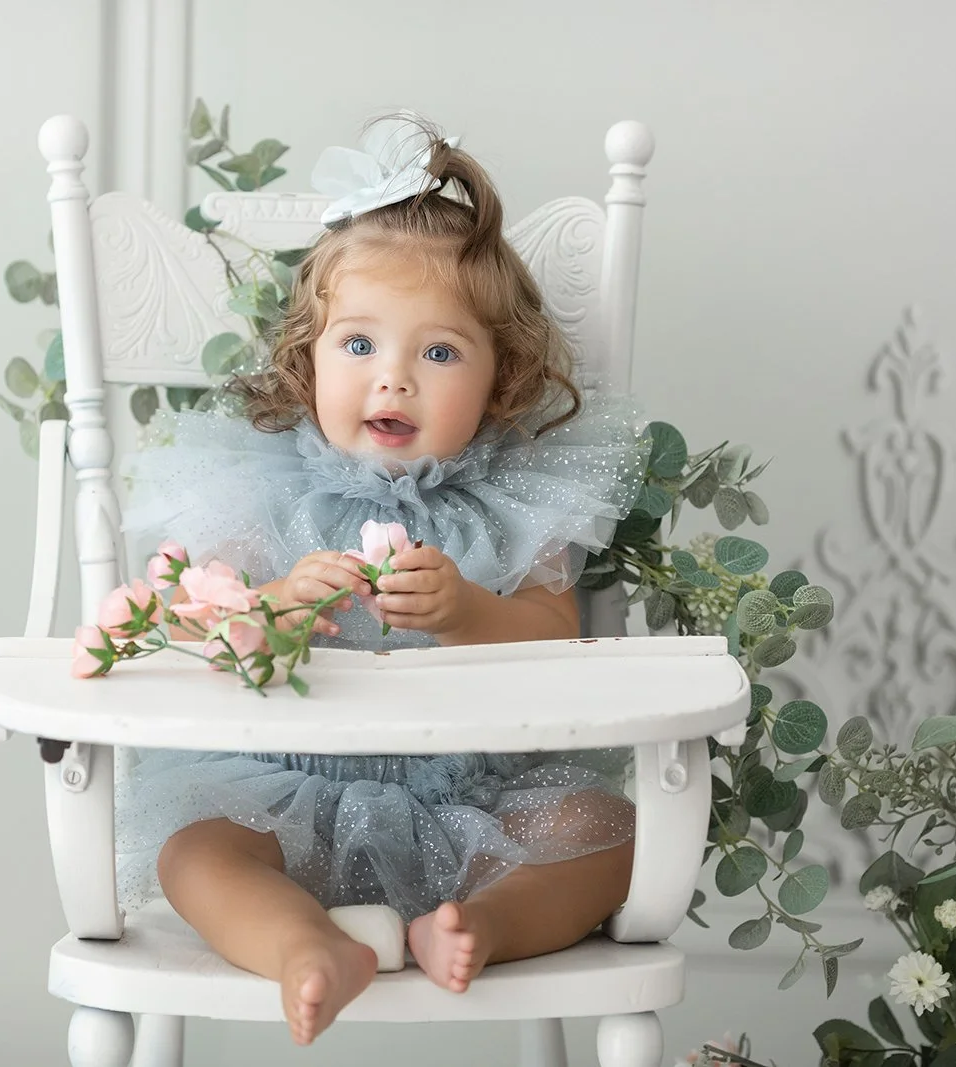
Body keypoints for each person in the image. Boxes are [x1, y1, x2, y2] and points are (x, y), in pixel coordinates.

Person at [118, 112, 650, 1045]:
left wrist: (470, 611)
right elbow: (193, 629)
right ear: (308, 357)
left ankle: (479, 926)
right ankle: (305, 946)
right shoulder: (257, 488)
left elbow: (558, 631)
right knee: (193, 854)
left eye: (438, 352)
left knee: (611, 832)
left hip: (477, 804)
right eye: (358, 345)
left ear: (501, 377)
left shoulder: (515, 499)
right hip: (282, 797)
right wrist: (272, 609)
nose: (392, 380)